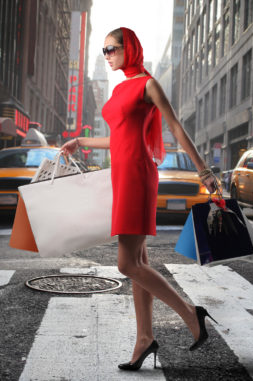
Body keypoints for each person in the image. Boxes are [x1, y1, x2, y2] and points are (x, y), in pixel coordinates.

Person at [60, 27, 218, 371]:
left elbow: (175, 127)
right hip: (122, 176)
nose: (107, 55)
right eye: (103, 51)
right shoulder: (119, 88)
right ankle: (144, 339)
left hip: (138, 176)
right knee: (139, 261)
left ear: (129, 47)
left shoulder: (148, 84)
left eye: (111, 48)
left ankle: (191, 314)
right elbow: (119, 139)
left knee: (126, 264)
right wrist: (82, 142)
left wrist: (203, 170)